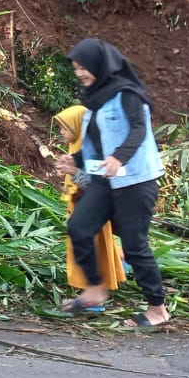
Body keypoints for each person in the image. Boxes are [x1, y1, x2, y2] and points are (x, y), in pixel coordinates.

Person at [55, 39, 170, 329]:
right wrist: (75, 162)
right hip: (106, 180)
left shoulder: (127, 94)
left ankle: (157, 308)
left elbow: (138, 130)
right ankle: (95, 289)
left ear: (100, 65)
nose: (80, 73)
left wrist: (119, 157)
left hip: (135, 180)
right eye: (76, 68)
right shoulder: (95, 101)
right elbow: (96, 144)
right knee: (79, 227)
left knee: (134, 246)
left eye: (84, 67)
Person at [53, 105, 122, 303]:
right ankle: (91, 290)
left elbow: (93, 183)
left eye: (65, 127)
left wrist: (73, 172)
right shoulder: (74, 150)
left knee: (93, 249)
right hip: (82, 208)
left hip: (91, 210)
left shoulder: (91, 151)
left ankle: (93, 296)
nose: (61, 132)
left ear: (78, 127)